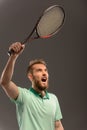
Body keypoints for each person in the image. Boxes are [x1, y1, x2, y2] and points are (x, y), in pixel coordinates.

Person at [0, 42, 64, 130]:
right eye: (39, 70)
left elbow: (58, 126)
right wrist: (13, 57)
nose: (44, 73)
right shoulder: (24, 96)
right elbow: (5, 82)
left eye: (45, 70)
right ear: (30, 76)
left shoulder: (53, 99)